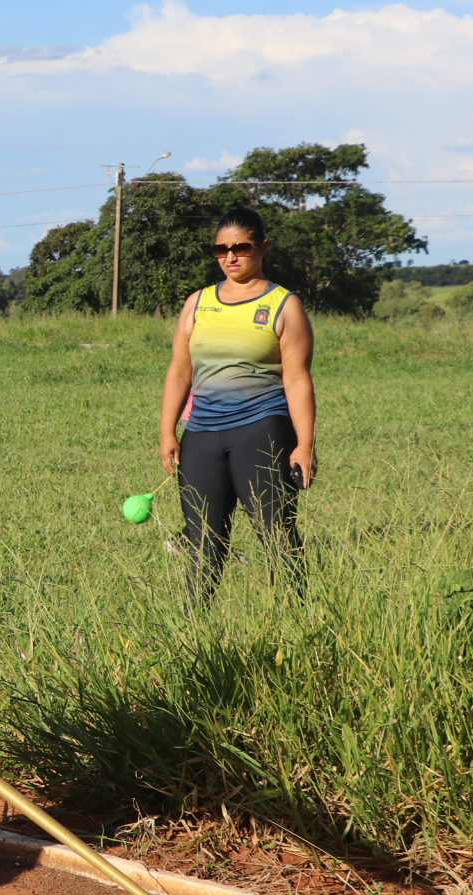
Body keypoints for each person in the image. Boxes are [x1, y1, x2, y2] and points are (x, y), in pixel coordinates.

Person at [159, 205, 316, 606]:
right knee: (202, 542)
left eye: (240, 248)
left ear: (262, 248)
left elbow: (297, 379)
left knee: (276, 534)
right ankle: (195, 632)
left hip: (261, 429)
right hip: (201, 436)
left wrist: (305, 445)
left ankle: (297, 621)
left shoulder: (284, 305)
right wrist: (167, 433)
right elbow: (179, 373)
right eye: (220, 249)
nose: (230, 257)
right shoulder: (198, 303)